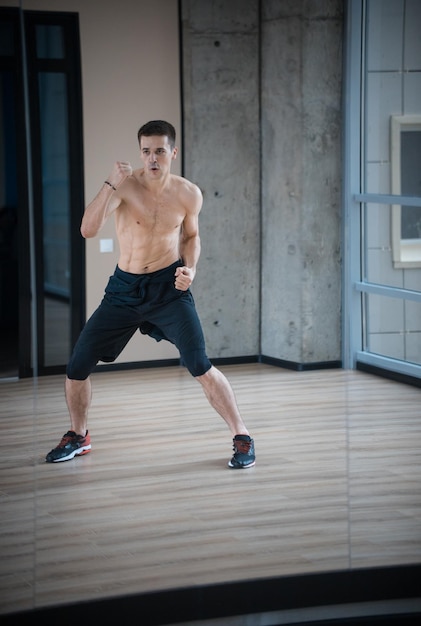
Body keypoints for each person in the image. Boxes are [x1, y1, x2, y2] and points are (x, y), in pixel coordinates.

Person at [46, 120, 255, 469]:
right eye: (146, 151)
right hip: (124, 290)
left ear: (173, 152)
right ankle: (78, 436)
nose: (152, 158)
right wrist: (111, 181)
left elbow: (191, 237)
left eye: (160, 150)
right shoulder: (124, 187)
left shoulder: (189, 193)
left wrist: (190, 269)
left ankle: (243, 436)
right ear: (139, 152)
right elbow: (87, 229)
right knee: (77, 366)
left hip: (168, 288)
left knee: (200, 364)